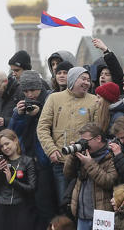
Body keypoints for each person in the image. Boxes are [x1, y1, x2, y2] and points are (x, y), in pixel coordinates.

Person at [36, 66, 109, 204]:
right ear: (73, 79)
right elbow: (42, 127)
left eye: (88, 80)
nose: (87, 82)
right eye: (83, 79)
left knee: (83, 203)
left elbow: (98, 129)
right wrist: (51, 149)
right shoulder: (54, 98)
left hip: (84, 162)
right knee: (64, 203)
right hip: (61, 162)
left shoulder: (94, 100)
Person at [62, 123, 117, 230]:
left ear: (98, 138)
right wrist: (73, 156)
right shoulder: (83, 155)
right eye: (81, 140)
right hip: (82, 217)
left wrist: (89, 163)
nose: (84, 144)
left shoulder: (110, 156)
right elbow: (67, 174)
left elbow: (109, 181)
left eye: (86, 140)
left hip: (102, 216)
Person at [9, 69, 56, 230]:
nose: (29, 95)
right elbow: (12, 134)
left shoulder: (49, 100)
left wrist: (39, 113)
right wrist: (18, 115)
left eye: (32, 91)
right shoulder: (20, 106)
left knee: (46, 208)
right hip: (27, 163)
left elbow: (50, 128)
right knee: (31, 209)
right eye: (26, 91)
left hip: (44, 164)